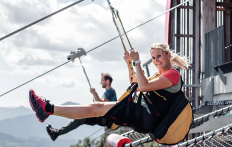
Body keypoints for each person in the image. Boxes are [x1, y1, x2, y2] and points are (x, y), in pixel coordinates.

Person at [29, 43, 189, 141]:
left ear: (168, 55)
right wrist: (130, 64)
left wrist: (138, 62)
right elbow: (136, 85)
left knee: (95, 108)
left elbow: (144, 86)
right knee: (94, 109)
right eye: (153, 58)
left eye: (158, 56)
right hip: (144, 118)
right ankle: (47, 109)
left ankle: (47, 109)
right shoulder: (159, 76)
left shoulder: (172, 74)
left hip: (145, 117)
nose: (155, 61)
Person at [45, 73, 117, 141]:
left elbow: (104, 103)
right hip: (104, 117)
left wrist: (95, 93)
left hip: (105, 118)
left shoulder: (110, 91)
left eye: (102, 80)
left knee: (80, 118)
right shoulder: (107, 92)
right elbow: (101, 103)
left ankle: (57, 133)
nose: (101, 82)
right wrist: (94, 94)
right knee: (79, 118)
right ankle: (57, 133)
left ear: (107, 81)